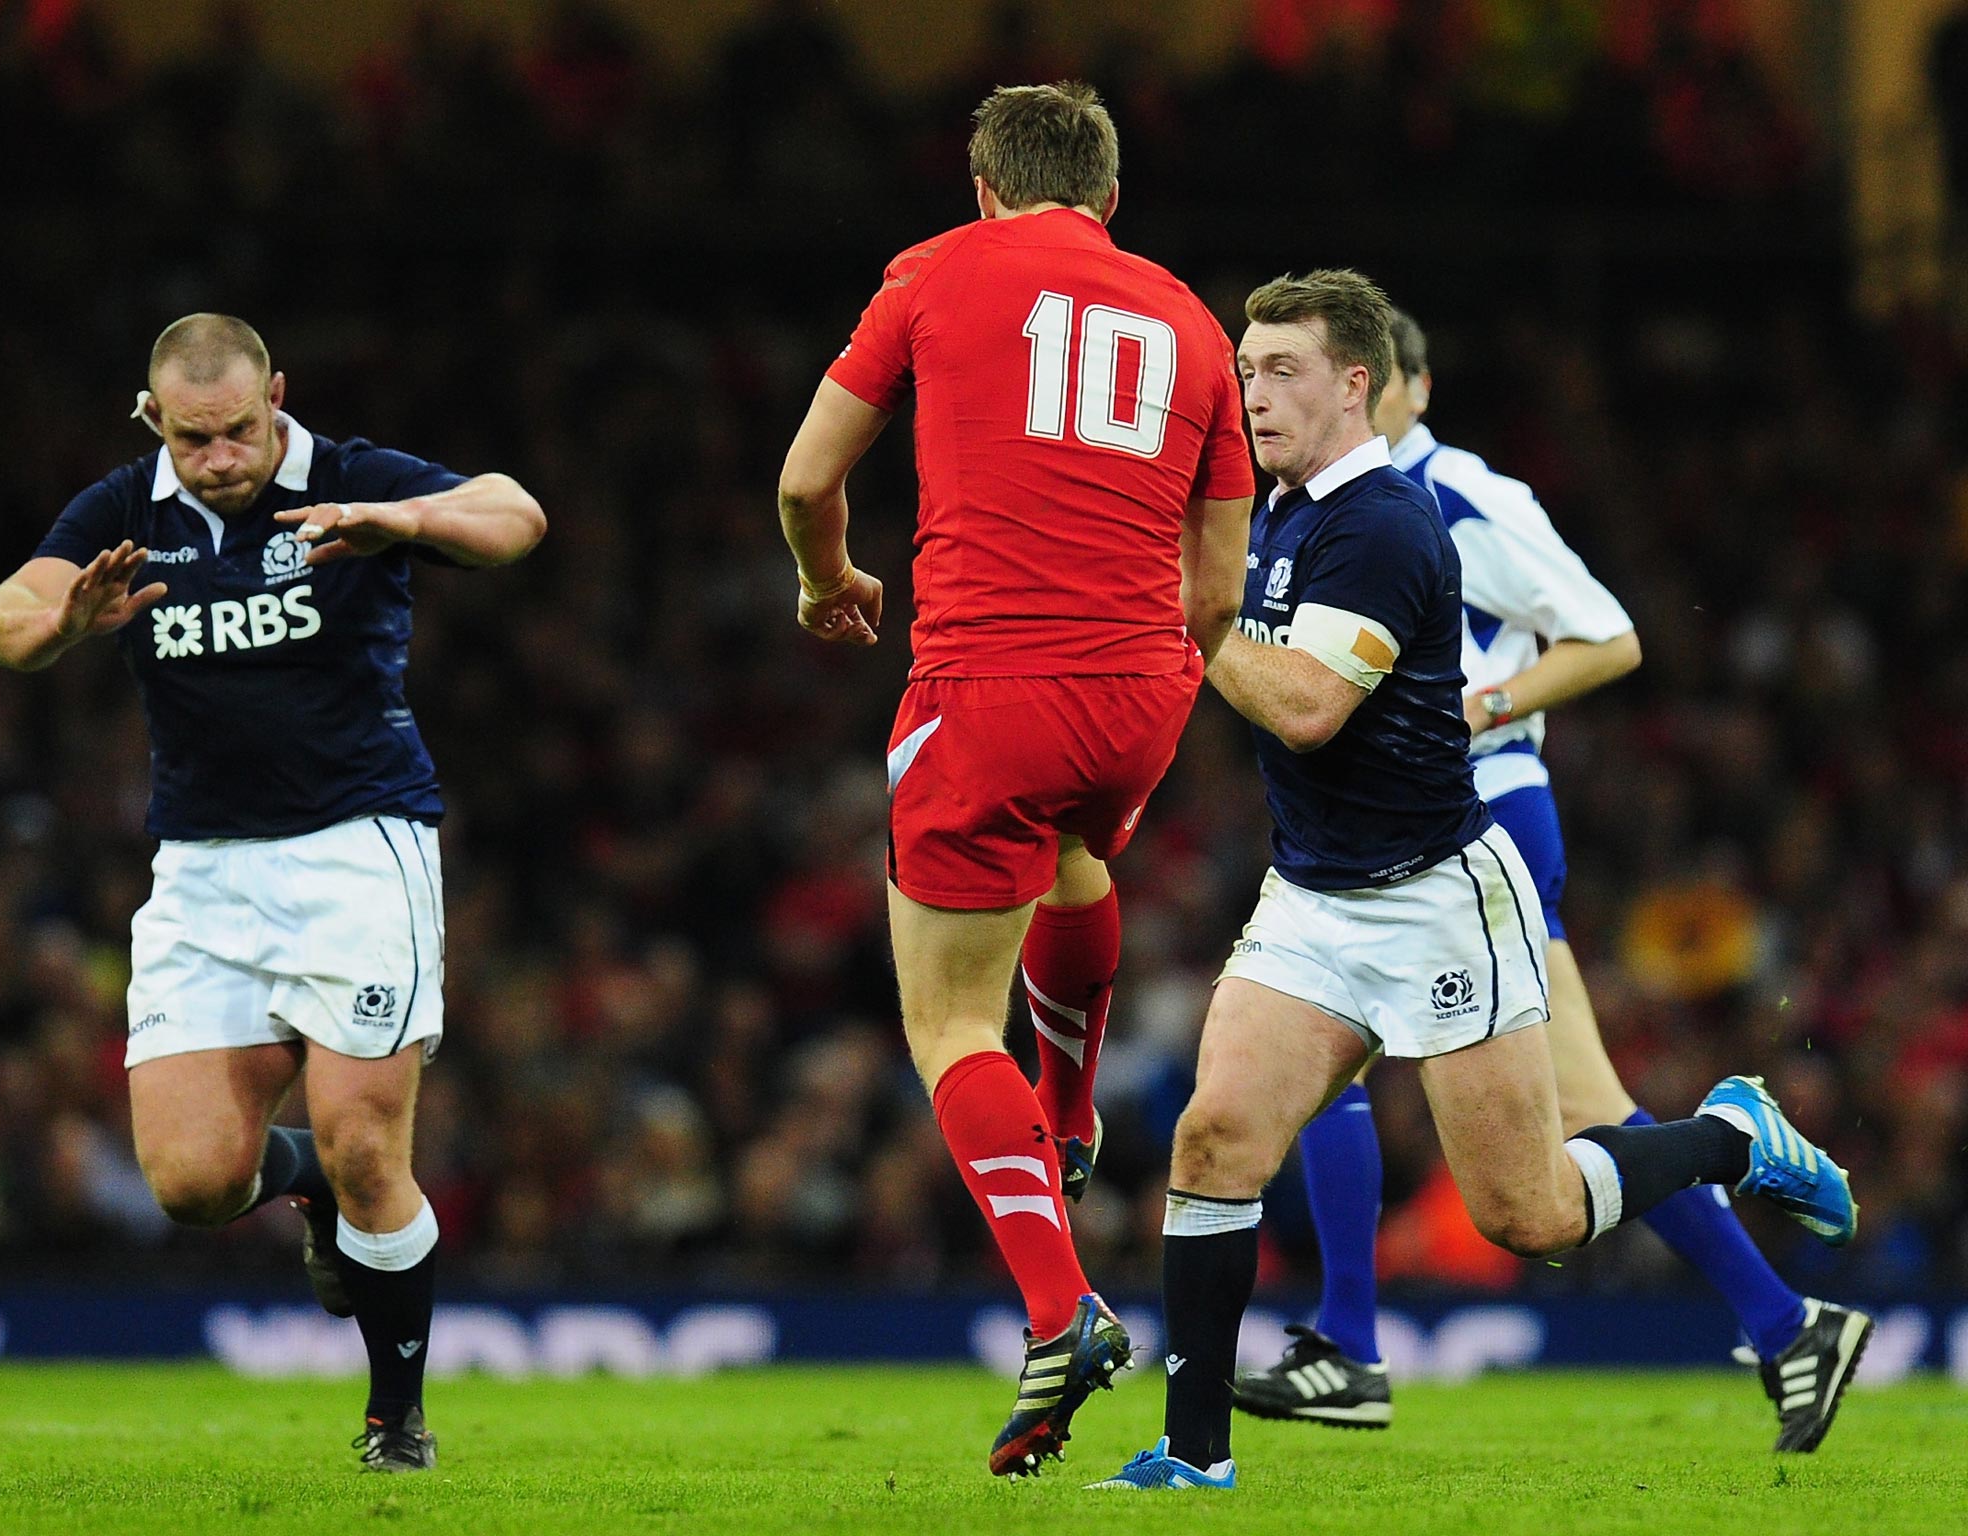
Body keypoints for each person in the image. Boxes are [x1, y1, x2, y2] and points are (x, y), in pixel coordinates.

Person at [1086, 271, 1854, 1493]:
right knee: (1217, 1134)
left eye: (1280, 370)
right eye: (1244, 371)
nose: (1251, 393)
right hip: (1314, 896)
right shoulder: (1274, 511)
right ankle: (1195, 1455)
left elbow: (1305, 705)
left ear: (1360, 386)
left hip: (1439, 893)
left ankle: (1725, 1134)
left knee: (1530, 1216)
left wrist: (1186, 613)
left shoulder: (1399, 519)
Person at [775, 82, 1254, 1476]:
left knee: (944, 1023)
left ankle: (1061, 1312)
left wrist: (829, 584)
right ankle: (1073, 1106)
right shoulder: (1189, 319)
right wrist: (1155, 682)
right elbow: (1215, 587)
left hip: (987, 684)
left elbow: (809, 481)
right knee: (1077, 861)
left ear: (985, 187)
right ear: (1107, 201)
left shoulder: (934, 271)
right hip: (1140, 691)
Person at [0, 314, 546, 1472]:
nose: (223, 457)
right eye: (195, 440)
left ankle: (395, 1421)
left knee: (367, 1142)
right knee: (190, 1184)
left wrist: (407, 520)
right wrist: (58, 628)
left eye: (240, 430)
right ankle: (315, 1199)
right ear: (155, 422)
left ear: (275, 396)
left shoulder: (349, 476)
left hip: (355, 852)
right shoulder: (123, 510)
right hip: (202, 870)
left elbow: (516, 515)